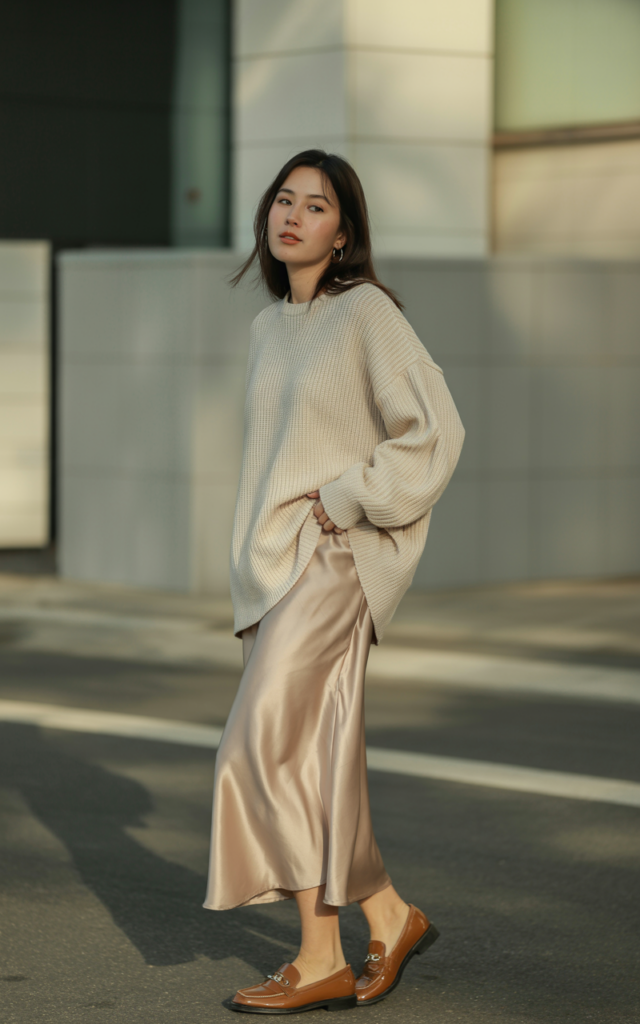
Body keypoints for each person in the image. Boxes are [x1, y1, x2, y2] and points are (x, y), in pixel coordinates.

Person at [203, 150, 465, 1014]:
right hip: (273, 567)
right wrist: (250, 562)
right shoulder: (267, 327)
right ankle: (387, 915)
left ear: (344, 233)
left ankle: (321, 957)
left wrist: (348, 497)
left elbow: (435, 429)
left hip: (333, 559)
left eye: (316, 207)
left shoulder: (366, 313)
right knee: (313, 755)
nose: (293, 216)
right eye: (284, 200)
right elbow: (268, 460)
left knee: (256, 746)